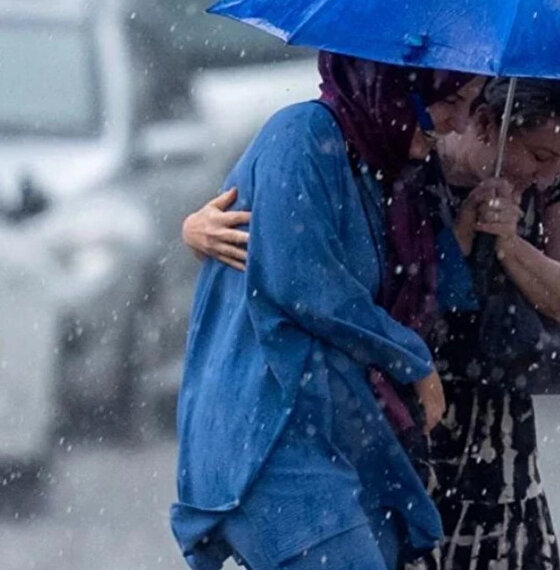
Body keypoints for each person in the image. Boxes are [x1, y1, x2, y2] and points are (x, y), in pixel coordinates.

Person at [183, 76, 560, 569]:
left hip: (490, 406)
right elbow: (313, 260)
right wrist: (193, 232)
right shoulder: (408, 150)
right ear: (491, 125)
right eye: (539, 156)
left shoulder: (549, 183)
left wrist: (510, 245)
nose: (550, 174)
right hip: (399, 399)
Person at [170, 50, 486, 570]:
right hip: (270, 440)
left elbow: (436, 287)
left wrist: (482, 221)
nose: (459, 122)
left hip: (342, 436)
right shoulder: (300, 137)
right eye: (450, 100)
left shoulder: (385, 168)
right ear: (387, 85)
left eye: (471, 103)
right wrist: (414, 361)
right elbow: (307, 285)